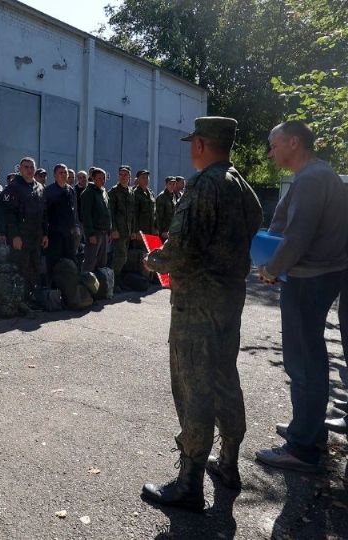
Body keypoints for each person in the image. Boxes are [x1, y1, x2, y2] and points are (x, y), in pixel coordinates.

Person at [141, 116, 262, 510]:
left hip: (197, 305)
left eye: (193, 142)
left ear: (201, 144)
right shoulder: (244, 188)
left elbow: (183, 247)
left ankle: (189, 482)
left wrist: (153, 259)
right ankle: (228, 463)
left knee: (194, 385)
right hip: (229, 301)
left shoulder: (203, 184)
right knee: (226, 377)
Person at [254, 120, 348, 472]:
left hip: (308, 279)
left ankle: (302, 447)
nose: (270, 151)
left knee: (304, 361)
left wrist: (270, 269)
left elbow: (297, 237)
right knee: (312, 357)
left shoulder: (310, 180)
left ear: (294, 142)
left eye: (273, 144)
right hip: (324, 275)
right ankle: (308, 430)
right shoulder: (325, 174)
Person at [0, 157, 48, 301]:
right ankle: (19, 301)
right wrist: (14, 236)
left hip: (36, 236)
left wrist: (45, 234)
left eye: (31, 167)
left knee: (35, 268)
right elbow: (8, 213)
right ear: (20, 169)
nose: (29, 170)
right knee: (21, 269)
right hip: (21, 238)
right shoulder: (14, 187)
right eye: (25, 167)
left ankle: (32, 299)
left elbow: (45, 213)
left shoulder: (39, 187)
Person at [43, 163, 81, 274]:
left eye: (65, 172)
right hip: (54, 233)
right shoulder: (48, 191)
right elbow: (44, 214)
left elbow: (74, 211)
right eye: (61, 173)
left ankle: (68, 287)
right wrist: (45, 233)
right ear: (55, 175)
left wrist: (76, 226)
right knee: (53, 261)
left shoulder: (71, 190)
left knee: (71, 260)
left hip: (69, 234)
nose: (64, 175)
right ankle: (52, 287)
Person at [78, 168, 111, 272]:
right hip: (95, 233)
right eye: (99, 178)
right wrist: (91, 234)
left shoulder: (104, 192)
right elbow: (86, 215)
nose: (102, 180)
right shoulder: (88, 193)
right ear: (93, 178)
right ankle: (84, 285)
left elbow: (108, 212)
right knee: (90, 261)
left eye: (104, 178)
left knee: (102, 262)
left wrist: (109, 230)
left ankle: (99, 285)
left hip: (104, 232)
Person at [108, 166, 135, 285]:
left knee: (124, 257)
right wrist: (113, 229)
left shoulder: (131, 192)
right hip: (118, 231)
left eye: (125, 175)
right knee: (119, 257)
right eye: (121, 175)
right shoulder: (113, 191)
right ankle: (113, 283)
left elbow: (132, 213)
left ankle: (117, 281)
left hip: (127, 231)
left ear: (130, 177)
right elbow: (110, 213)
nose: (123, 177)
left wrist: (133, 230)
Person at [132, 169, 156, 237]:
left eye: (147, 177)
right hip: (140, 232)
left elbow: (154, 212)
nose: (146, 180)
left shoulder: (151, 193)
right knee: (140, 248)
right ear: (138, 180)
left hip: (151, 231)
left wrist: (156, 228)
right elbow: (134, 215)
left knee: (154, 248)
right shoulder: (134, 193)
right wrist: (136, 231)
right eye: (143, 177)